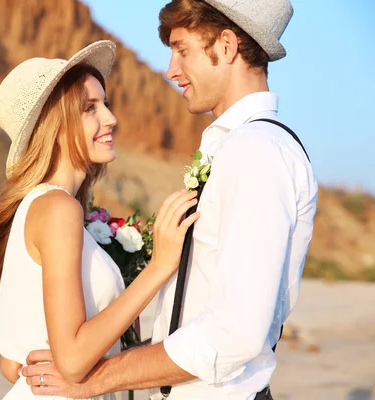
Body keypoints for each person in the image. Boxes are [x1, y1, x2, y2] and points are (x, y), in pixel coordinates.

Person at [21, 1, 318, 399]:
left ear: (227, 47)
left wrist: (100, 377)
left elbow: (235, 333)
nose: (171, 70)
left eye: (182, 50)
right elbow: (198, 315)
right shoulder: (236, 148)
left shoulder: (257, 151)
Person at [0, 40, 200, 400]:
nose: (110, 118)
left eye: (106, 104)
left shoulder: (39, 207)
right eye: (90, 108)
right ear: (54, 124)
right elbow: (72, 360)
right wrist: (159, 266)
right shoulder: (57, 209)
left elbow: (11, 364)